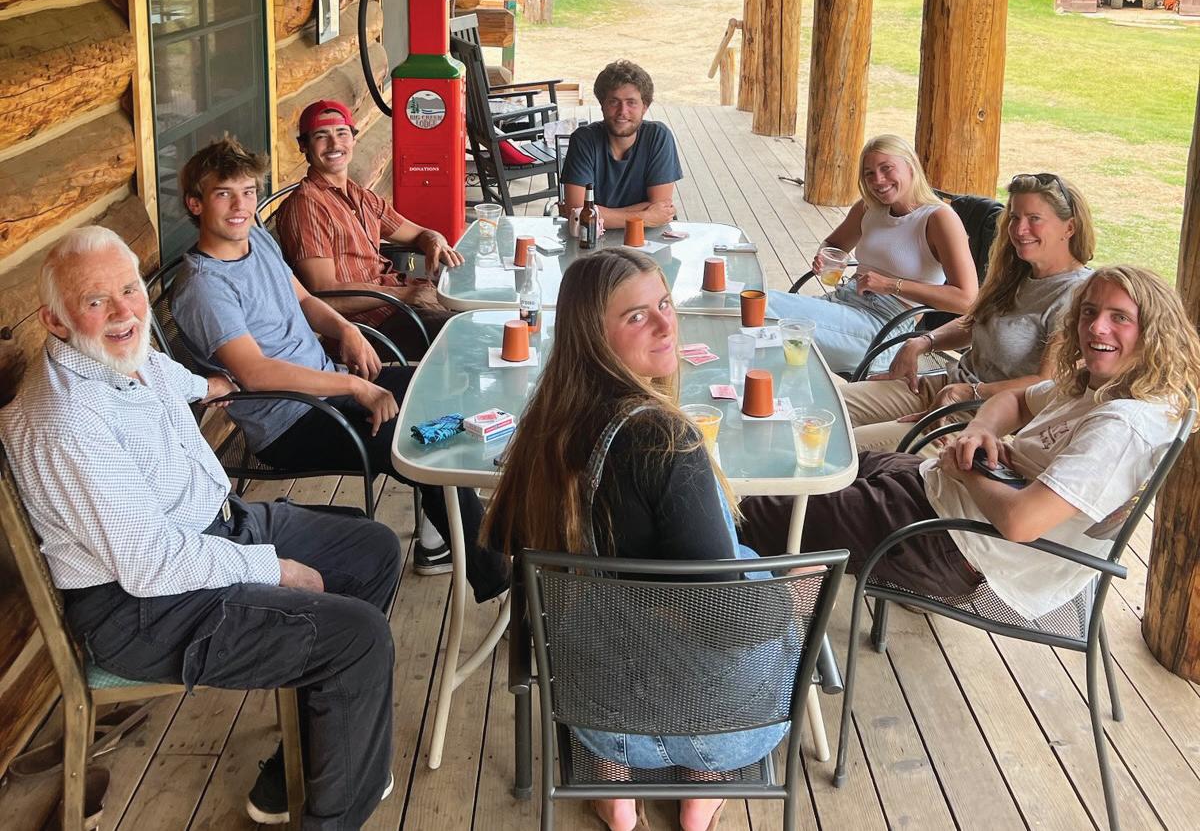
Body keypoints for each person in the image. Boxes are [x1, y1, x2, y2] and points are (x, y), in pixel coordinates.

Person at [0, 227, 402, 828]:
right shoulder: (65, 421)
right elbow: (152, 564)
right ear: (54, 321)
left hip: (215, 530)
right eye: (95, 301)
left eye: (129, 289)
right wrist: (274, 568)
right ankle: (335, 811)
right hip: (142, 607)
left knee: (372, 549)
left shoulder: (121, 357)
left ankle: (323, 747)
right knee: (358, 638)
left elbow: (173, 380)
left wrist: (217, 385)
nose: (123, 312)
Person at [485, 248, 786, 831]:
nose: (667, 325)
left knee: (616, 604)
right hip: (712, 726)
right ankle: (702, 787)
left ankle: (612, 787)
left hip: (597, 709)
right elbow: (725, 623)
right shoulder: (669, 442)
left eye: (665, 304)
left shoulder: (545, 423)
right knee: (757, 573)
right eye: (637, 316)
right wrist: (790, 595)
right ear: (592, 338)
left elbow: (502, 540)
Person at [741, 266, 1200, 622]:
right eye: (1089, 312)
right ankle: (791, 605)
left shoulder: (1124, 426)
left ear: (1153, 332)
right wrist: (980, 429)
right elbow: (1015, 400)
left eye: (1120, 318)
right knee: (815, 473)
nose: (1097, 328)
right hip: (934, 495)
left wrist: (963, 469)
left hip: (954, 544)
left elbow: (1020, 522)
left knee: (760, 511)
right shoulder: (1099, 384)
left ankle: (751, 634)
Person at [170, 136, 508, 603]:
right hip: (289, 422)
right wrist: (354, 385)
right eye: (224, 194)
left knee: (439, 394)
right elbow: (256, 374)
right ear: (196, 204)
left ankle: (458, 538)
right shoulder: (204, 287)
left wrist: (346, 330)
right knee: (421, 442)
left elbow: (304, 298)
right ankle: (500, 582)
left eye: (247, 192)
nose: (240, 206)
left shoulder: (255, 240)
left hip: (327, 387)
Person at [843, 172, 1094, 451]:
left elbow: (1045, 383)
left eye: (1034, 218)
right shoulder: (1018, 272)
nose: (1020, 229)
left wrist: (970, 392)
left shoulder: (1078, 294)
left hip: (985, 420)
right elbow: (975, 322)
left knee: (845, 444)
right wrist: (922, 342)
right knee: (828, 408)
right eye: (1014, 217)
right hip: (948, 387)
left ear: (1069, 227)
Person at [766, 134, 978, 374]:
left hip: (883, 327)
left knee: (764, 315)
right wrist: (826, 259)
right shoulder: (868, 207)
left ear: (910, 166)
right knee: (754, 306)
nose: (878, 180)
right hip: (842, 302)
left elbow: (967, 300)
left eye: (886, 168)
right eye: (869, 173)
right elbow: (833, 244)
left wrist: (891, 285)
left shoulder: (938, 218)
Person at [275, 98, 462, 359]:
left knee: (479, 314)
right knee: (468, 335)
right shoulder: (307, 206)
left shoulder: (360, 195)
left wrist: (435, 241)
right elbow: (325, 294)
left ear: (354, 139)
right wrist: (406, 295)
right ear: (304, 146)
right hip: (368, 328)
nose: (334, 144)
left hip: (400, 303)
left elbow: (420, 233)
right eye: (321, 136)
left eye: (342, 133)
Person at [560, 60, 683, 229]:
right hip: (590, 239)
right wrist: (644, 217)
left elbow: (661, 208)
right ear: (602, 105)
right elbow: (577, 213)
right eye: (614, 102)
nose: (622, 112)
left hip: (646, 237)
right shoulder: (584, 140)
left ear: (644, 107)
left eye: (631, 102)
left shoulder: (658, 136)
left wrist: (595, 214)